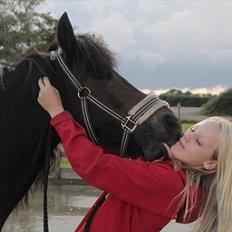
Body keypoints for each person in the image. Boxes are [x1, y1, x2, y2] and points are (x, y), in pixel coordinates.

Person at [37, 76, 232, 232]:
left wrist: (57, 113)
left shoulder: (169, 183)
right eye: (193, 130)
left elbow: (96, 166)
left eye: (198, 141)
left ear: (209, 165)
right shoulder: (175, 180)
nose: (188, 136)